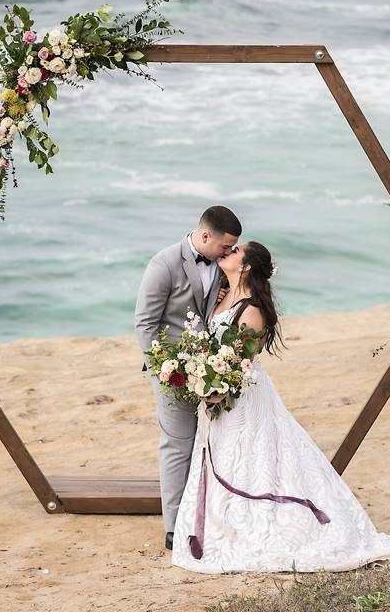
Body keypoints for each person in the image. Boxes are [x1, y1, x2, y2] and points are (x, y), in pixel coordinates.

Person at [170, 241, 390, 573]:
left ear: (247, 265)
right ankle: (221, 524)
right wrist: (198, 374)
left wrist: (215, 386)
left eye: (236, 249)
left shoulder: (252, 310)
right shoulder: (222, 295)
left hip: (241, 396)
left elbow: (241, 363)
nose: (228, 251)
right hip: (218, 401)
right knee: (223, 455)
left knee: (254, 458)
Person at [134, 206, 242, 551]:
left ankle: (211, 513)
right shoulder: (163, 264)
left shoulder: (220, 266)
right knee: (178, 443)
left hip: (210, 369)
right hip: (172, 372)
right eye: (225, 247)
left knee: (212, 440)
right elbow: (145, 324)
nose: (229, 254)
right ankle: (174, 525)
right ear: (205, 235)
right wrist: (166, 370)